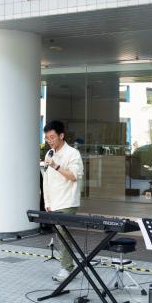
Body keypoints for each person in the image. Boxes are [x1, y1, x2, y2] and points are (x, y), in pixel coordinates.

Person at [41, 121, 85, 282]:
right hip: (53, 202)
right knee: (61, 235)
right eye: (46, 138)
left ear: (61, 135)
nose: (49, 140)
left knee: (62, 234)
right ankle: (68, 266)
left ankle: (67, 268)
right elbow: (46, 179)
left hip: (68, 201)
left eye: (52, 137)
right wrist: (47, 201)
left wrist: (56, 166)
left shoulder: (73, 154)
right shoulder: (49, 154)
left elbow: (74, 176)